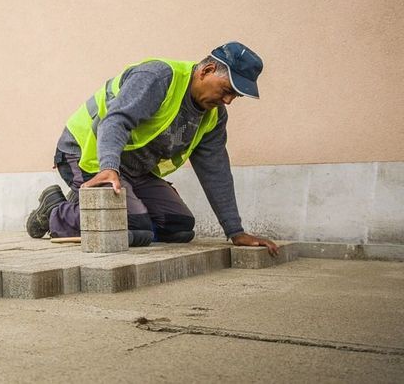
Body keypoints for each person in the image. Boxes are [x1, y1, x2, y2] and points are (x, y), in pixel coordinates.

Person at [26, 42, 279, 255]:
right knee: (136, 226)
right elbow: (115, 121)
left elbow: (216, 171)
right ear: (207, 70)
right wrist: (109, 167)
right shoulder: (158, 77)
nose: (227, 101)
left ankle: (96, 207)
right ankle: (54, 211)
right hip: (86, 154)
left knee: (179, 228)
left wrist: (235, 231)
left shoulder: (214, 116)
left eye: (235, 96)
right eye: (226, 90)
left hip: (133, 170)